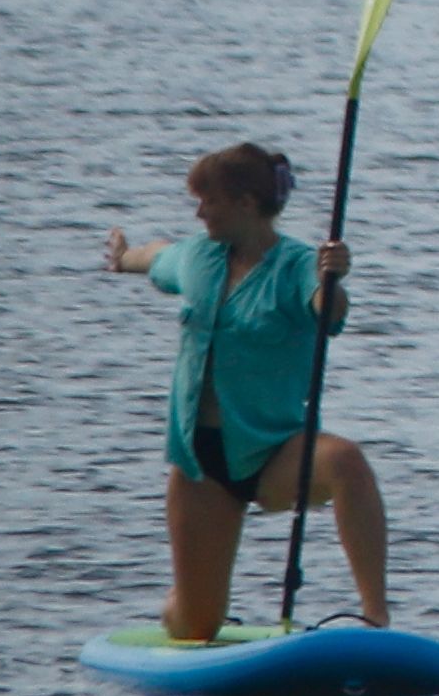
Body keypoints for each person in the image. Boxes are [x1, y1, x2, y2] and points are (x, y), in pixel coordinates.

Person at [102, 142, 387, 637]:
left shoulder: (299, 264)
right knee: (195, 628)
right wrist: (125, 257)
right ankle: (181, 603)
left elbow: (329, 310)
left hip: (274, 449)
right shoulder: (198, 256)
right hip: (200, 464)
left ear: (246, 204)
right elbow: (158, 257)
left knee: (346, 461)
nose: (199, 212)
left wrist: (333, 279)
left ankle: (377, 616)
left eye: (208, 201)